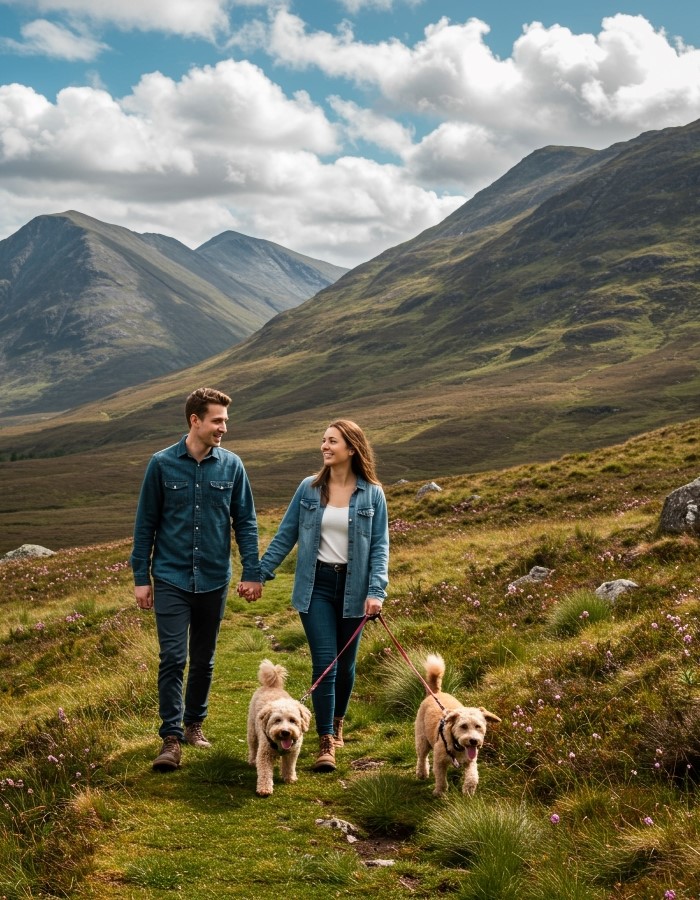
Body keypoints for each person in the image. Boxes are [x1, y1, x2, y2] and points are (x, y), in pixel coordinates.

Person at [131, 387, 262, 772]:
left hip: (213, 579)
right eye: (217, 420)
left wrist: (251, 572)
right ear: (195, 420)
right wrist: (142, 577)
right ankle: (170, 739)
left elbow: (247, 523)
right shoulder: (161, 464)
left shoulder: (232, 466)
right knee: (173, 657)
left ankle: (194, 725)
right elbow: (145, 525)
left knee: (203, 660)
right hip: (170, 577)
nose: (224, 427)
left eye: (225, 420)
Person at [255, 419, 389, 772]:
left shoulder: (372, 493)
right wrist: (259, 574)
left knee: (345, 666)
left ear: (351, 448)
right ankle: (325, 740)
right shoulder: (308, 489)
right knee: (325, 664)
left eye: (332, 441)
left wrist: (376, 591)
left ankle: (338, 720)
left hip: (356, 591)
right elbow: (286, 535)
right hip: (316, 587)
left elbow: (379, 547)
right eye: (323, 441)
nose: (324, 447)